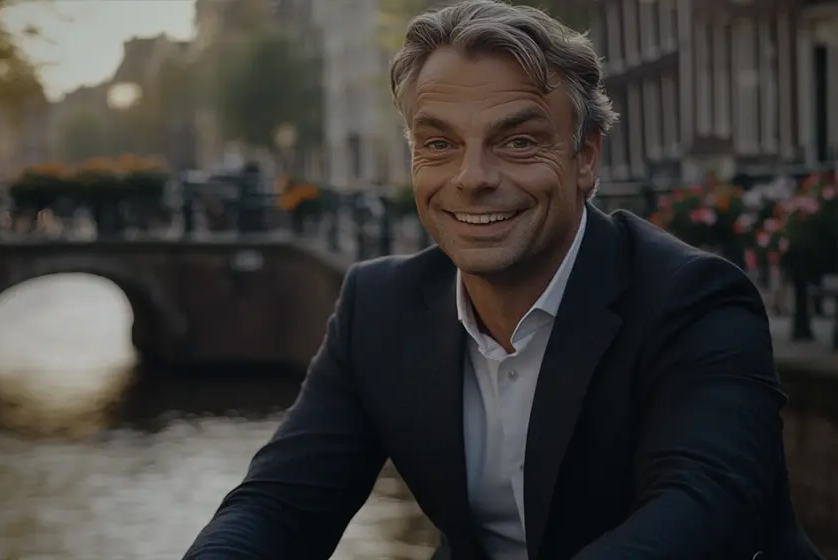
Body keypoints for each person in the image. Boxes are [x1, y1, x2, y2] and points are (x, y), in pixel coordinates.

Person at [183, 1, 823, 558]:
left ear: (586, 157)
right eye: (438, 145)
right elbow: (281, 506)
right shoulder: (376, 307)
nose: (471, 178)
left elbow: (700, 513)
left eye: (517, 143)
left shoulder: (696, 302)